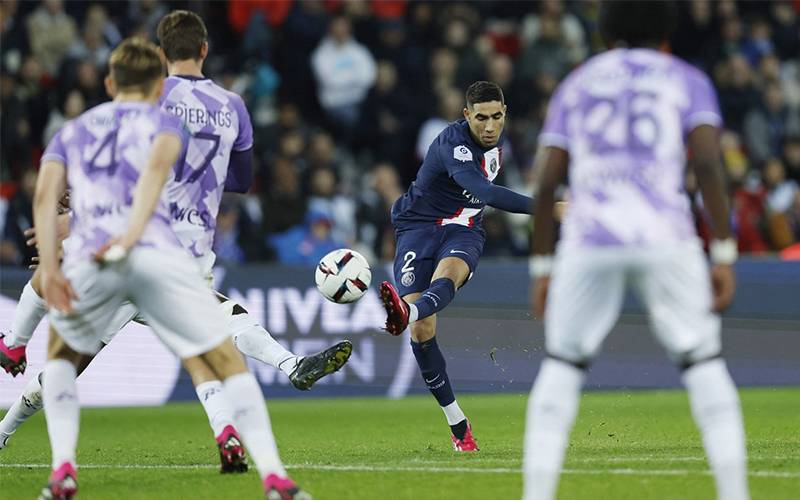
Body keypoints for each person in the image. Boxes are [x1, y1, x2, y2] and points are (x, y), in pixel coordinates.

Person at [0, 10, 351, 470]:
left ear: (160, 54)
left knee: (74, 357)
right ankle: (274, 383)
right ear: (204, 49)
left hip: (128, 245)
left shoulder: (150, 96)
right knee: (213, 335)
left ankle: (12, 382)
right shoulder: (232, 106)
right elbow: (242, 180)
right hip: (183, 249)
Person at [523, 2, 748, 500]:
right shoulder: (687, 79)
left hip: (589, 241)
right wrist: (724, 253)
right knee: (704, 364)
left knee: (561, 367)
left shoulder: (578, 83)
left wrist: (542, 268)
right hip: (665, 237)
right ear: (668, 29)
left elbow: (545, 184)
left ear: (606, 32)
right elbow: (709, 164)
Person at [379, 81, 534, 451]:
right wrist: (546, 208)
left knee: (447, 276)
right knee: (421, 332)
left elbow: (481, 199)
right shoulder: (455, 145)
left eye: (497, 117)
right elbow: (487, 193)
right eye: (481, 118)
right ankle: (458, 423)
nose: (490, 126)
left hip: (463, 229)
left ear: (504, 114)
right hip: (417, 228)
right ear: (467, 115)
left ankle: (408, 309)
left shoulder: (498, 146)